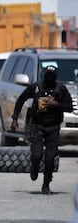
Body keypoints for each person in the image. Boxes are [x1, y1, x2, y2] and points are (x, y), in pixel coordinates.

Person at [11, 65, 73, 194]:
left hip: (53, 127)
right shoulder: (36, 87)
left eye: (52, 76)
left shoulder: (61, 89)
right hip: (37, 126)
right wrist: (15, 118)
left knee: (50, 158)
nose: (50, 78)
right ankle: (34, 167)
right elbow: (21, 99)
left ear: (55, 77)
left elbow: (69, 107)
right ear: (44, 76)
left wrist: (55, 104)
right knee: (37, 155)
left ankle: (46, 184)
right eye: (48, 76)